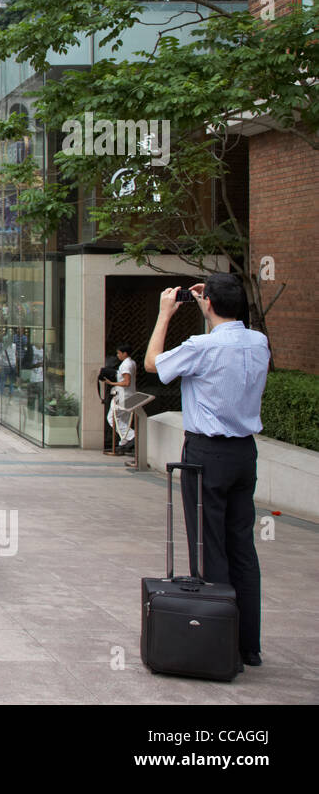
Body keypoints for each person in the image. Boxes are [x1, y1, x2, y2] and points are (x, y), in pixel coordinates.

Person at [145, 276, 269, 668]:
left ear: (209, 303)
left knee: (208, 544)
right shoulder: (258, 341)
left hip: (206, 452)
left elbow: (153, 364)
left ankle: (220, 640)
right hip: (244, 453)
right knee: (242, 547)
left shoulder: (202, 346)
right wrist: (210, 308)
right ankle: (249, 644)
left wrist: (165, 314)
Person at [102, 341, 138, 453]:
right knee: (124, 420)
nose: (118, 355)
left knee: (112, 418)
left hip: (123, 395)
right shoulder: (131, 363)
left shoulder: (126, 365)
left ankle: (132, 436)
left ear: (125, 353)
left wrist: (111, 383)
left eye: (119, 353)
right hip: (128, 395)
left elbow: (126, 382)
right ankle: (124, 443)